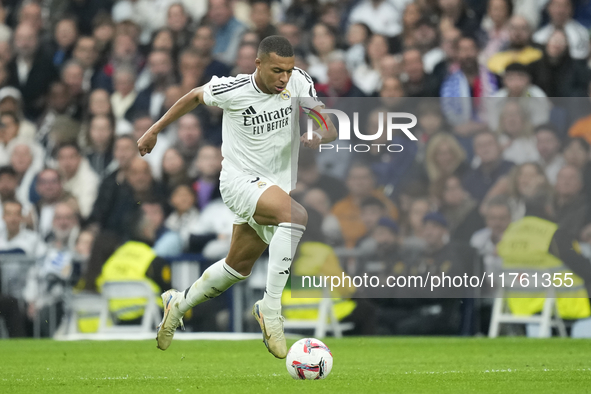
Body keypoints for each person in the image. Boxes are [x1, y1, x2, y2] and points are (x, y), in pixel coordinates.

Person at [137, 36, 337, 357]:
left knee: (237, 267)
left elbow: (329, 123)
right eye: (276, 71)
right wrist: (155, 129)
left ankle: (178, 303)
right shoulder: (234, 89)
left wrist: (318, 132)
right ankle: (270, 310)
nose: (284, 78)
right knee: (297, 216)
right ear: (257, 64)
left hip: (272, 187)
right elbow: (193, 96)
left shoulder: (299, 81)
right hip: (239, 181)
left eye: (288, 70)